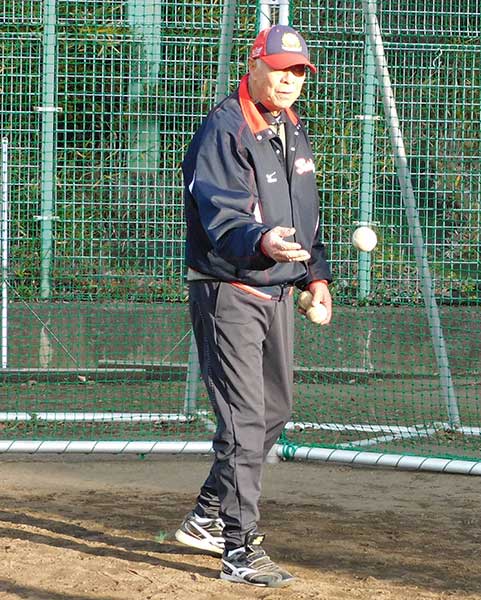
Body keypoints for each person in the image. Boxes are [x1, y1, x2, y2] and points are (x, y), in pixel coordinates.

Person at [176, 24, 333, 588]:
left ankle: (207, 515)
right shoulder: (226, 127)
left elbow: (304, 211)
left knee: (273, 413)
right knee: (243, 421)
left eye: (299, 72)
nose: (290, 80)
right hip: (229, 290)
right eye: (280, 68)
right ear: (254, 65)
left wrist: (315, 273)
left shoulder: (289, 127)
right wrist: (261, 241)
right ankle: (240, 549)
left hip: (279, 290)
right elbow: (223, 215)